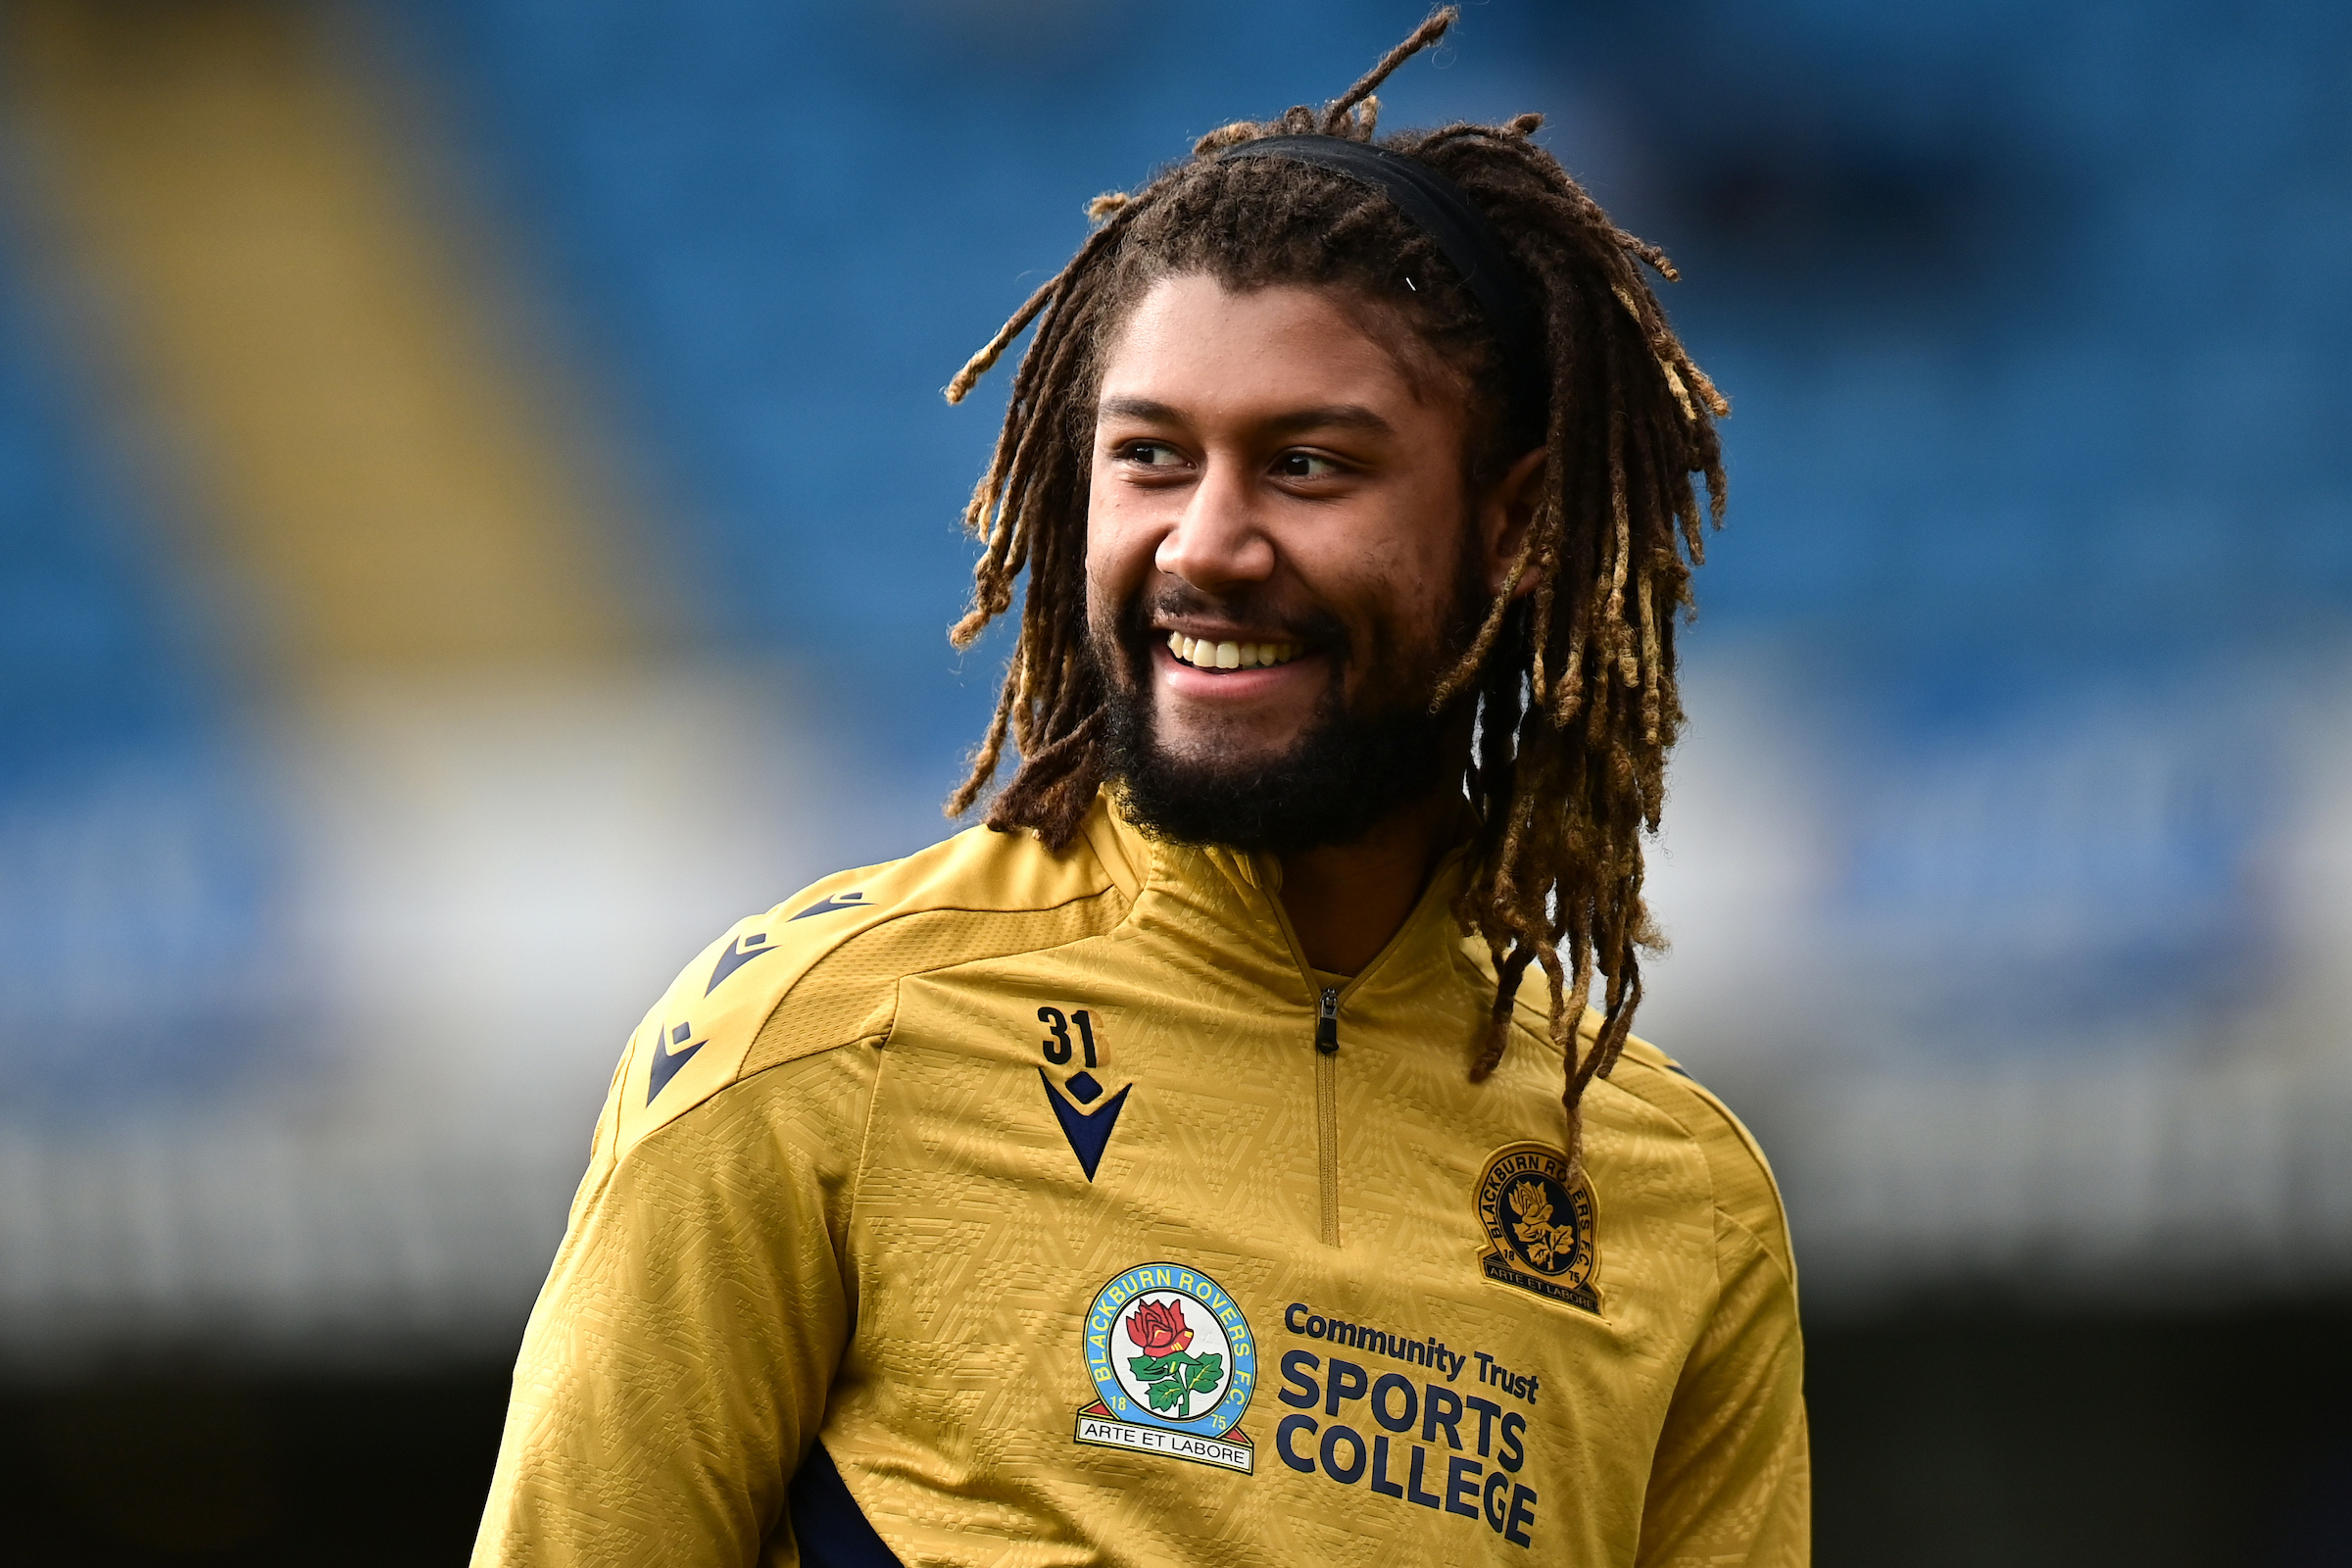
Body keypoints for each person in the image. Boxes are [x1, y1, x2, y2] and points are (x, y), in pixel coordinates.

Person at [473, 11, 1806, 1565]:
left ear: (1512, 526)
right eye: (1152, 459)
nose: (1206, 546)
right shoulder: (822, 1043)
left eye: (1309, 465)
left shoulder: (1676, 1198)